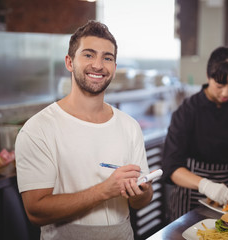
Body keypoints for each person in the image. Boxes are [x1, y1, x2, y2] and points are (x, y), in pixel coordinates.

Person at [15, 20, 153, 240]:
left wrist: (141, 193)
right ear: (70, 62)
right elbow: (36, 211)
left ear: (114, 68)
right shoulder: (38, 129)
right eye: (88, 55)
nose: (98, 65)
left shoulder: (130, 126)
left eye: (107, 58)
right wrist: (104, 190)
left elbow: (142, 202)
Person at [162, 47, 228, 221]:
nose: (225, 93)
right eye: (219, 86)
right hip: (191, 195)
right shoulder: (187, 111)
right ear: (208, 77)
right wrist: (205, 185)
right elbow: (171, 166)